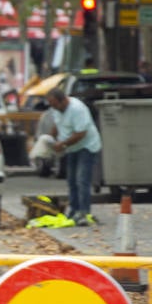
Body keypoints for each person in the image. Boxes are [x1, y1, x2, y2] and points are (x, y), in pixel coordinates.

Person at [46, 86, 102, 226]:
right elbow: (57, 124)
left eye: (55, 105)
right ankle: (74, 209)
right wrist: (50, 139)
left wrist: (62, 144)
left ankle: (84, 212)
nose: (54, 108)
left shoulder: (77, 109)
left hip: (86, 146)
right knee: (71, 180)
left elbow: (80, 134)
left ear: (63, 100)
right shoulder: (57, 109)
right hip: (71, 147)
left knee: (82, 179)